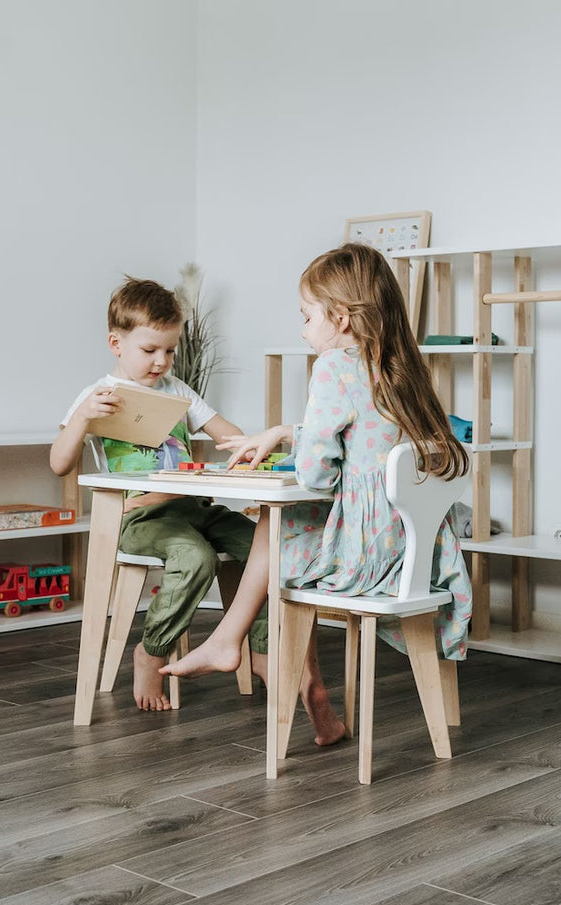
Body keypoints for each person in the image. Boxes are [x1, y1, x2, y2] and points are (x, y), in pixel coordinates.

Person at [162, 243, 473, 745]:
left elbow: (316, 477)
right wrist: (289, 431)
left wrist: (294, 443)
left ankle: (226, 639)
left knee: (272, 522)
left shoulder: (333, 367)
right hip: (416, 556)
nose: (303, 328)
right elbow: (364, 441)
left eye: (307, 316)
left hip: (365, 558)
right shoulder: (404, 370)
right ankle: (280, 677)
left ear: (341, 318)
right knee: (283, 532)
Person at [51, 276, 268, 711]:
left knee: (267, 548)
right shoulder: (97, 396)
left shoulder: (178, 390)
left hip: (196, 508)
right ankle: (151, 652)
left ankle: (259, 650)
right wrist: (82, 419)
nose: (161, 361)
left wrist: (232, 437)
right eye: (149, 351)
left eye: (169, 351)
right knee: (195, 559)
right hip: (141, 518)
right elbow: (59, 463)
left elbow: (231, 434)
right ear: (117, 343)